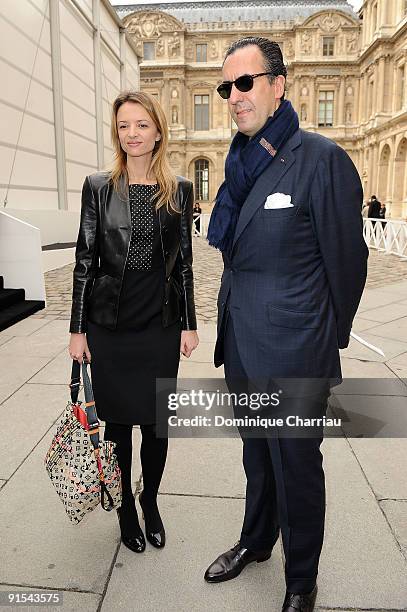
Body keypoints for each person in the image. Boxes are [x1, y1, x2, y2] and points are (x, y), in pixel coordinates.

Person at [205, 37, 368, 612]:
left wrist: (324, 339)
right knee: (257, 456)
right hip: (244, 349)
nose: (233, 97)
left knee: (296, 464)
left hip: (296, 355)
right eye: (226, 87)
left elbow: (347, 267)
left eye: (245, 83)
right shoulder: (239, 165)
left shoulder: (321, 160)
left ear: (278, 85)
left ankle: (301, 581)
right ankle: (256, 541)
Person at [69, 91, 199, 555]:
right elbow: (85, 260)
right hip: (111, 326)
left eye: (141, 125)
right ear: (116, 132)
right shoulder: (99, 186)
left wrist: (189, 323)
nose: (132, 134)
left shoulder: (179, 190)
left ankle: (151, 500)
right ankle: (125, 506)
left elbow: (183, 263)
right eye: (124, 125)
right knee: (119, 426)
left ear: (158, 132)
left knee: (158, 425)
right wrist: (77, 329)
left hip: (160, 326)